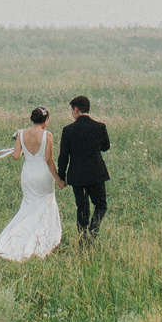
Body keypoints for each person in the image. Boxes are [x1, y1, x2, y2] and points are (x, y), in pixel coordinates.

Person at [0, 107, 63, 260]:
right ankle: (42, 236)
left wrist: (23, 150)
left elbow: (15, 156)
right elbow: (48, 160)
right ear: (46, 120)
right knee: (45, 203)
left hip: (28, 173)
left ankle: (12, 238)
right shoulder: (47, 135)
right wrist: (58, 179)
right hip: (42, 173)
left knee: (28, 204)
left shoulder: (21, 134)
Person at [58, 95, 110, 240]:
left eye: (71, 110)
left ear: (76, 110)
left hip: (77, 175)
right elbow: (105, 147)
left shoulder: (68, 130)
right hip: (96, 173)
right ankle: (93, 232)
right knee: (100, 205)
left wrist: (61, 177)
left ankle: (82, 237)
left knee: (82, 208)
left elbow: (63, 157)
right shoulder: (100, 126)